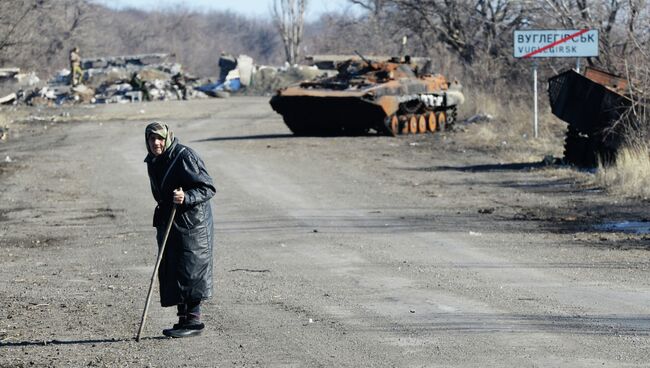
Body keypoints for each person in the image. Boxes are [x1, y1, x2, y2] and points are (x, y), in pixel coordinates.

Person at [144, 122, 216, 338]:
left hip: (193, 223)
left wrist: (187, 197)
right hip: (172, 221)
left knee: (191, 268)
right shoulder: (154, 160)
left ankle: (193, 321)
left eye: (160, 138)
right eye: (151, 139)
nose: (156, 142)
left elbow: (207, 187)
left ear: (167, 138)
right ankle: (183, 319)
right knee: (175, 268)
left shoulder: (184, 156)